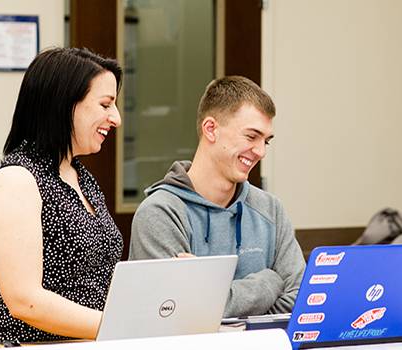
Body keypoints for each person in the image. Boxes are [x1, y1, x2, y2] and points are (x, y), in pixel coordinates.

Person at [0, 47, 123, 344]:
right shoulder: (15, 180)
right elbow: (25, 300)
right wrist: (122, 325)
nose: (116, 119)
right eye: (105, 104)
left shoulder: (82, 177)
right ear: (64, 104)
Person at [129, 76, 305, 317]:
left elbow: (299, 302)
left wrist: (212, 298)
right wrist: (269, 282)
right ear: (211, 129)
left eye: (266, 141)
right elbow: (176, 313)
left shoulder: (271, 209)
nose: (261, 152)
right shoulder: (160, 213)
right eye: (251, 137)